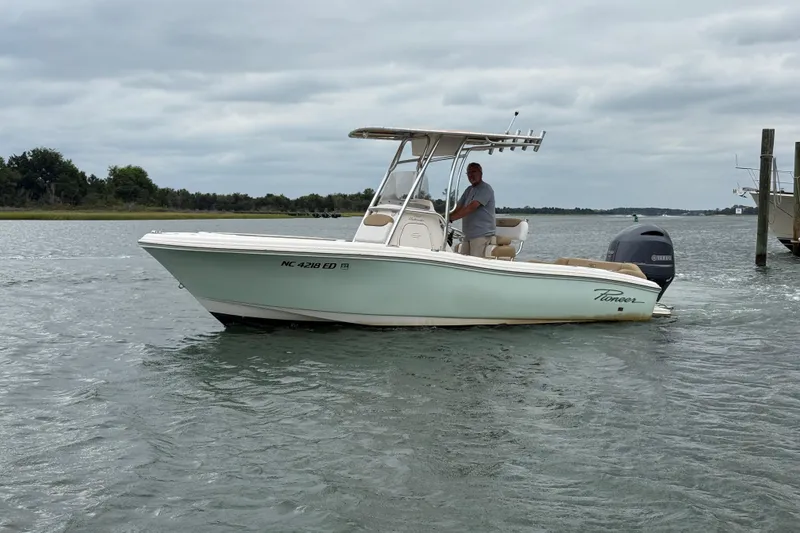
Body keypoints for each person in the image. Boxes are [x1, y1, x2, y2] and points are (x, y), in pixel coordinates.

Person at [448, 162, 496, 256]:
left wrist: (451, 219)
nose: (471, 175)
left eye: (474, 172)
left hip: (481, 235)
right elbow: (458, 207)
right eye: (468, 173)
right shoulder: (469, 190)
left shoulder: (485, 188)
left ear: (480, 173)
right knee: (463, 261)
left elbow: (472, 207)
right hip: (467, 235)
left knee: (475, 263)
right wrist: (443, 217)